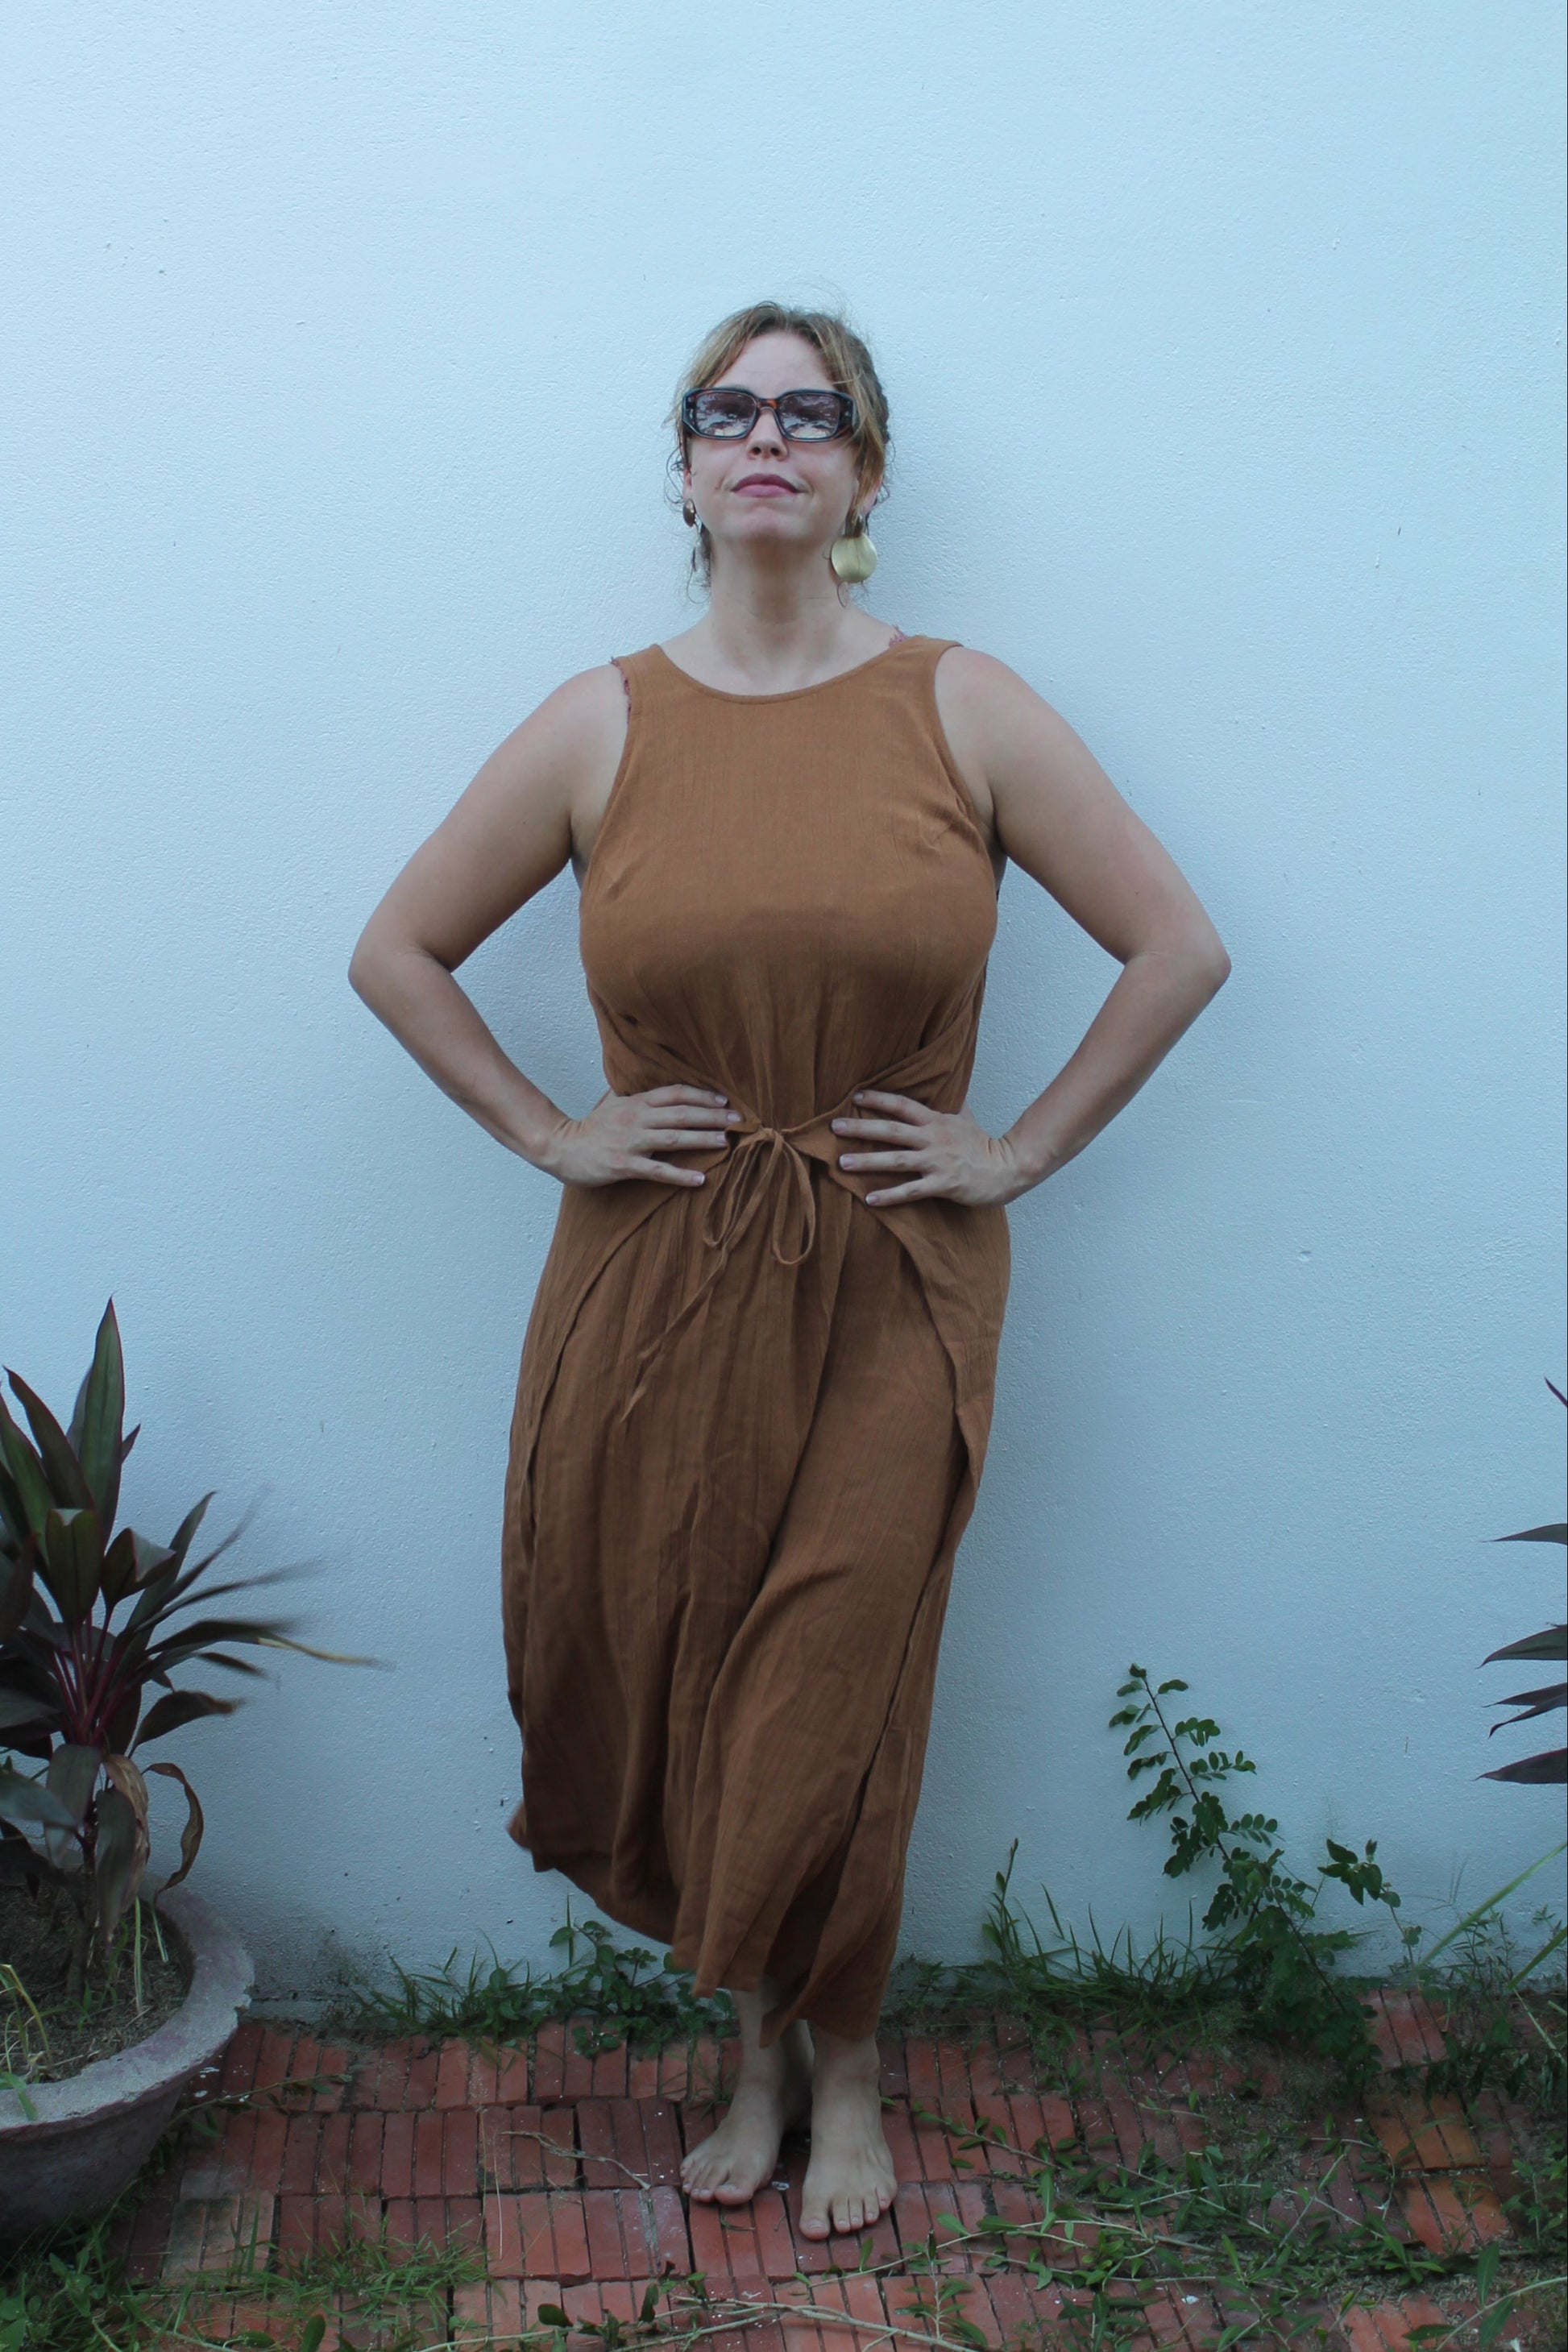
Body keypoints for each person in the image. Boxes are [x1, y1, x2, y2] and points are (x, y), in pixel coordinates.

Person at [349, 301, 1230, 2238]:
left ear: (864, 473)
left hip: (896, 1272)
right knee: (684, 1653)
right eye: (727, 412)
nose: (768, 437)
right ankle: (750, 2042)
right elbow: (395, 948)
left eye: (809, 414)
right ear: (682, 467)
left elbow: (1175, 945)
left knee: (836, 1665)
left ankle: (845, 2068)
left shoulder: (963, 704)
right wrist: (551, 1128)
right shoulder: (600, 720)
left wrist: (1012, 1151)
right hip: (651, 1276)